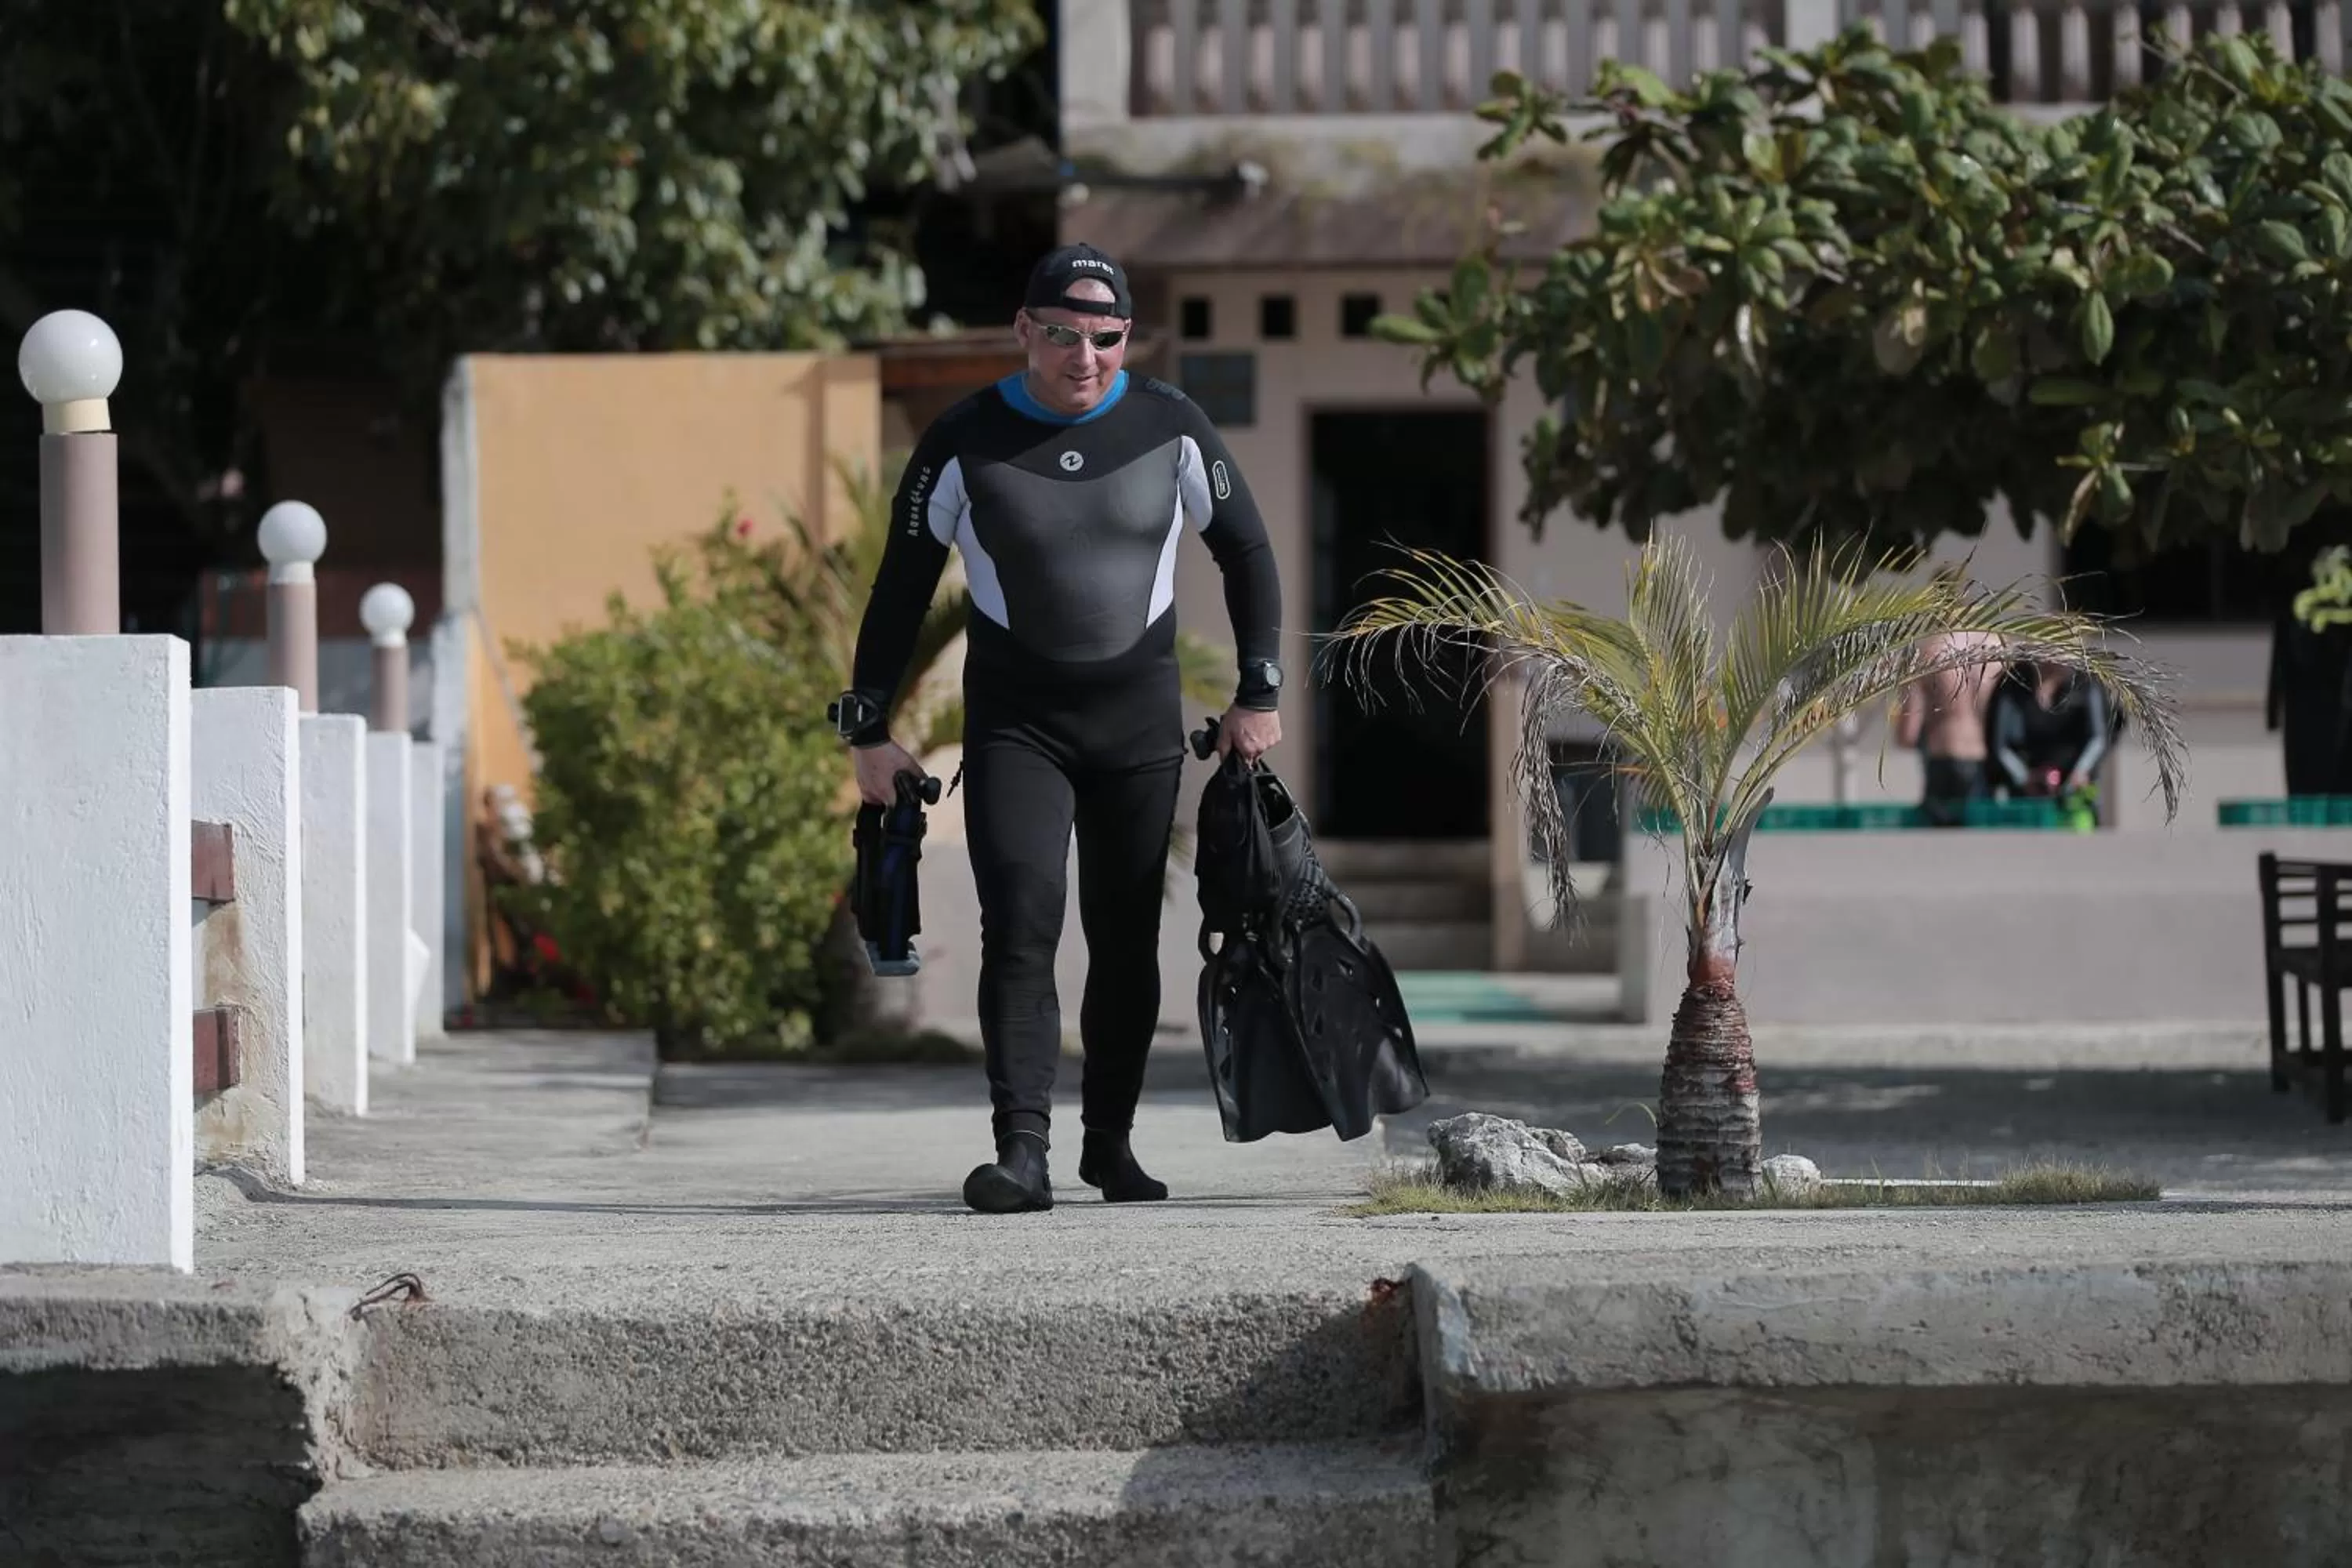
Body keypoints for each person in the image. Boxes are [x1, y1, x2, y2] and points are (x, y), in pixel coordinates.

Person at [832, 243, 1286, 1216]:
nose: (1087, 356)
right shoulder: (967, 436)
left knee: (1124, 938)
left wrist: (1259, 689)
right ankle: (1023, 1149)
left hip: (1136, 728)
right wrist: (867, 729)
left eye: (1108, 337)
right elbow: (902, 585)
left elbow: (1246, 548)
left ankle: (1110, 1145)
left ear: (1127, 338)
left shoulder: (1172, 424)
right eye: (1066, 335)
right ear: (1025, 330)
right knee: (1024, 924)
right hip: (1016, 729)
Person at [1892, 622, 2005, 827]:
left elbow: (1907, 734)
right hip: (1986, 760)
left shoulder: (1931, 652)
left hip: (1944, 757)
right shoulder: (1996, 648)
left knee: (1940, 847)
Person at [1987, 659, 2114, 809]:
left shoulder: (2086, 682)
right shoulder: (2015, 680)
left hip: (2076, 787)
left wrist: (2080, 772)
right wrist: (2024, 778)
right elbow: (1999, 741)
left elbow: (2098, 738)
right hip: (2025, 788)